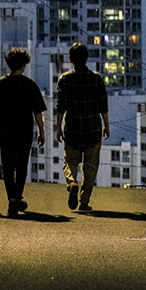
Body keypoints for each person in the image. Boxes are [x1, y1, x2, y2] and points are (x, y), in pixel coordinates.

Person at [0, 47, 46, 217]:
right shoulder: (30, 85)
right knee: (22, 165)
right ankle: (17, 196)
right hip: (24, 133)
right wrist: (41, 131)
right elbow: (38, 112)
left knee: (8, 166)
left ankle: (11, 199)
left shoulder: (0, 84)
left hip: (5, 132)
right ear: (23, 65)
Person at [55, 42, 109, 212]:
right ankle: (84, 202)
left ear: (71, 60)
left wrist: (58, 127)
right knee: (91, 167)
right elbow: (103, 106)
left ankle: (72, 182)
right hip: (93, 129)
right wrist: (106, 126)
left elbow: (60, 107)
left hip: (72, 129)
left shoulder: (65, 79)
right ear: (87, 59)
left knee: (70, 162)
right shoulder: (97, 78)